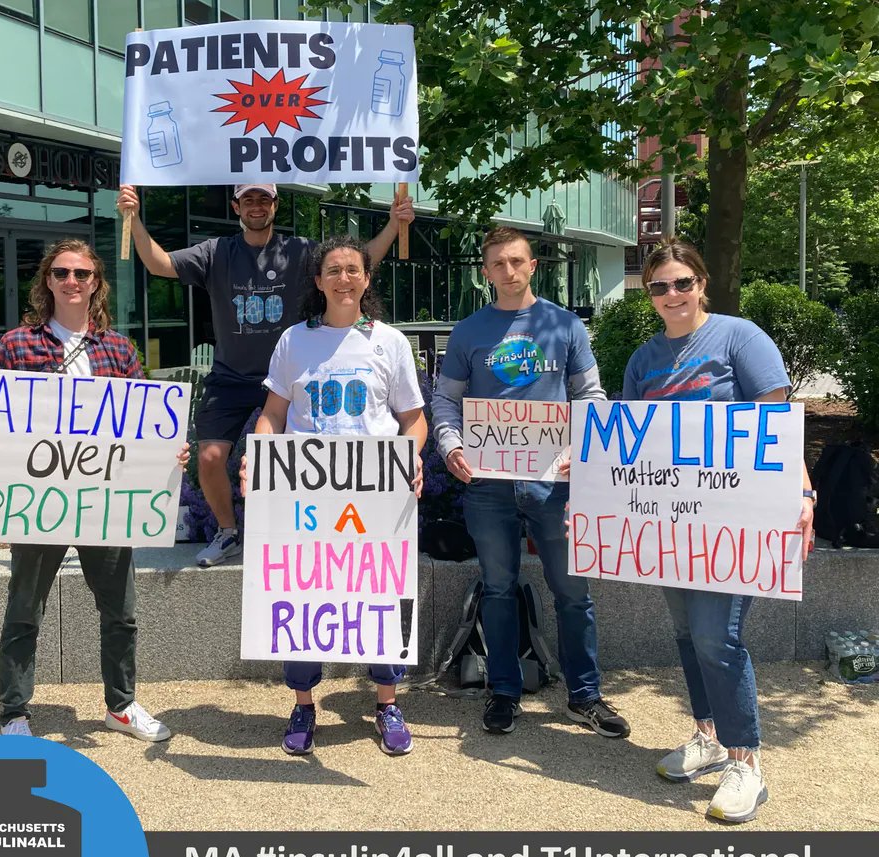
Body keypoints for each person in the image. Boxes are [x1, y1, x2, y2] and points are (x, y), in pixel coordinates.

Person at [0, 239, 189, 741]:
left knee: (121, 612)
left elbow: (145, 424)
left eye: (82, 274)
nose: (72, 281)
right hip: (40, 502)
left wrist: (170, 452)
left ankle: (121, 706)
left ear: (96, 282)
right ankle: (14, 714)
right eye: (61, 272)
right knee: (25, 610)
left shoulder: (119, 350)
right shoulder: (17, 345)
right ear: (48, 281)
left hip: (104, 501)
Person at [117, 182, 415, 567]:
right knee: (209, 456)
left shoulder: (299, 251)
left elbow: (355, 265)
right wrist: (134, 218)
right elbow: (159, 264)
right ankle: (228, 532)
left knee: (303, 458)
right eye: (248, 200)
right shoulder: (216, 252)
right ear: (236, 206)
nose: (256, 206)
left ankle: (287, 532)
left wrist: (393, 224)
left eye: (264, 199)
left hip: (292, 375)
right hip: (231, 376)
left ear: (276, 205)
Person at [623, 238, 814, 823]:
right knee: (687, 633)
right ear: (649, 294)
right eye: (659, 286)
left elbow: (777, 424)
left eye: (683, 282)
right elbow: (627, 442)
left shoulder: (739, 338)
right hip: (670, 523)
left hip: (735, 521)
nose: (672, 294)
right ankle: (707, 736)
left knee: (716, 638)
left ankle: (745, 763)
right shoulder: (643, 359)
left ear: (701, 284)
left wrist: (803, 492)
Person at [431, 226, 629, 739]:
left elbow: (591, 395)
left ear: (533, 265)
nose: (509, 270)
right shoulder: (469, 331)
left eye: (517, 261)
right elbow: (446, 398)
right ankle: (504, 691)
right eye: (498, 263)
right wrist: (451, 444)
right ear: (485, 272)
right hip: (488, 483)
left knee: (573, 591)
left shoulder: (565, 325)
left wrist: (581, 444)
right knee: (497, 589)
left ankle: (585, 695)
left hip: (554, 483)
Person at [240, 236, 427, 756]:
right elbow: (273, 414)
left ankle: (387, 703)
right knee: (302, 597)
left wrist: (411, 456)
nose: (344, 278)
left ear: (367, 279)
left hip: (375, 497)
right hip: (305, 495)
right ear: (318, 281)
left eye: (353, 270)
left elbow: (414, 420)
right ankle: (303, 704)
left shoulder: (390, 342)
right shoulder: (294, 341)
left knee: (381, 596)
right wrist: (258, 456)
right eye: (333, 270)